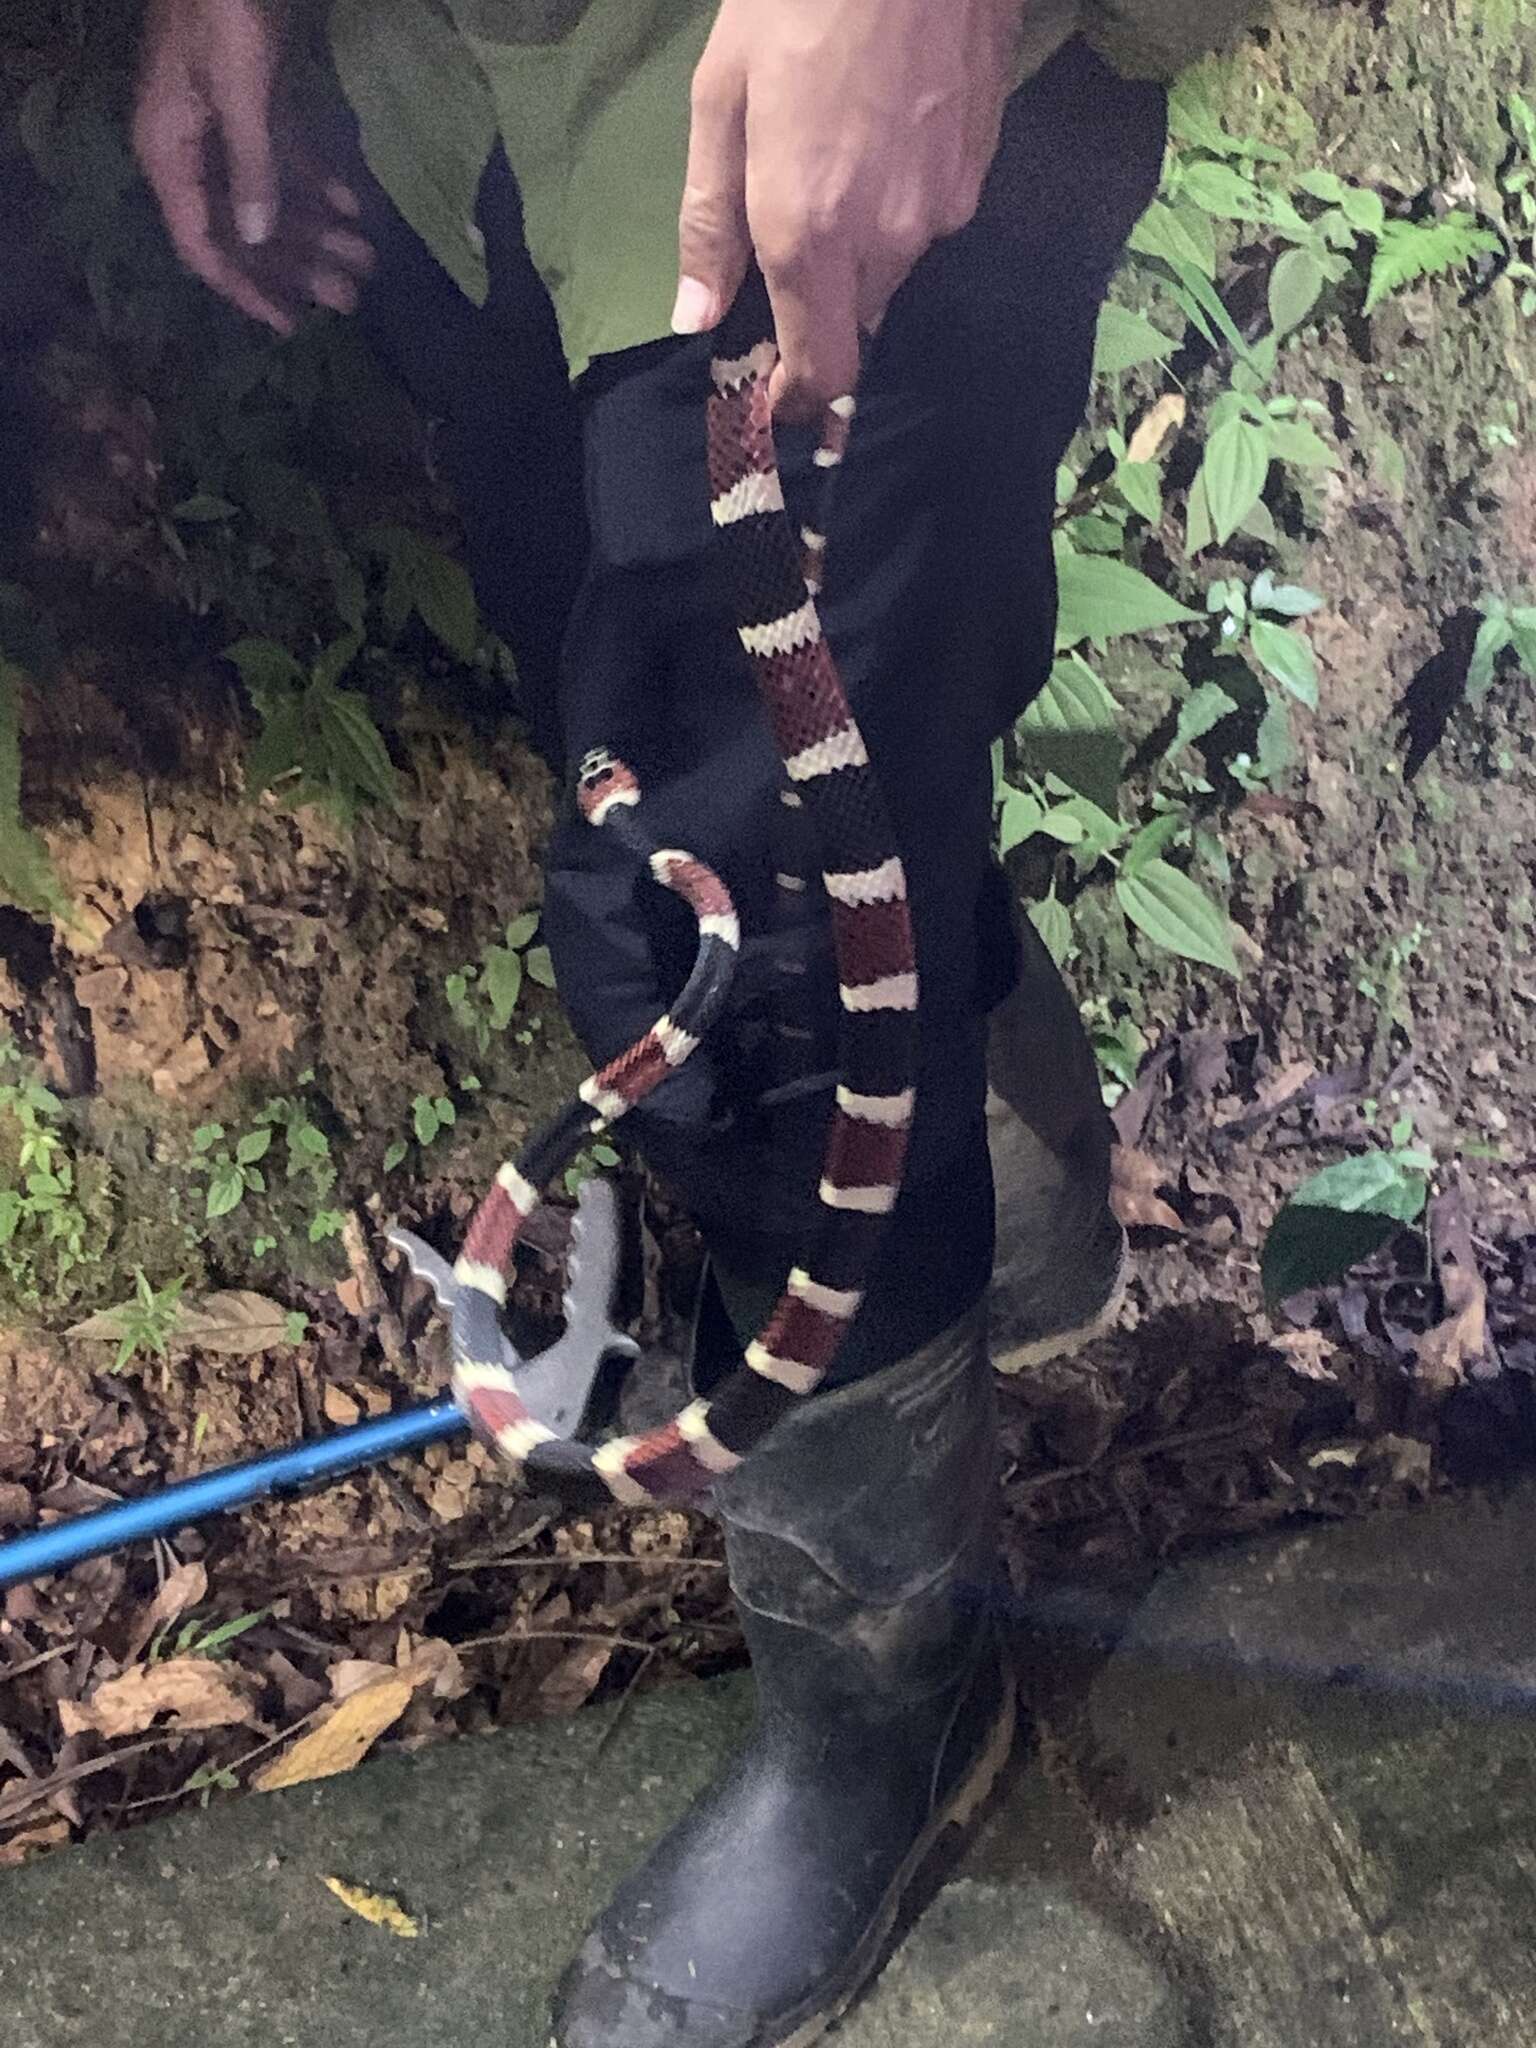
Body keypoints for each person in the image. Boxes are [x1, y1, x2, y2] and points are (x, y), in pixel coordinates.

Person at [134, 4, 1262, 2042]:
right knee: (720, 742)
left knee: (740, 947)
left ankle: (894, 1715)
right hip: (470, 87)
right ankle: (994, 1189)